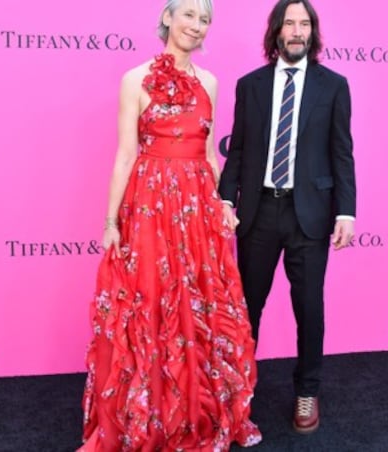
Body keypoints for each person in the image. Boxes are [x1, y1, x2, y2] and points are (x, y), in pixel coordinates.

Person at [79, 0, 261, 450]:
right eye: (189, 16)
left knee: (199, 302)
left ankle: (198, 412)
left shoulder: (211, 83)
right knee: (152, 303)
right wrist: (110, 221)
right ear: (167, 18)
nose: (196, 26)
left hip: (197, 206)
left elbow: (210, 153)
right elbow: (125, 153)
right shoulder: (135, 79)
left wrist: (222, 202)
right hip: (150, 205)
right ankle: (150, 414)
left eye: (204, 20)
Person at [218, 0, 356, 435]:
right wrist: (225, 200)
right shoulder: (250, 86)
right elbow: (236, 149)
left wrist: (346, 212)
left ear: (312, 33)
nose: (297, 31)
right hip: (258, 213)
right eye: (290, 23)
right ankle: (239, 391)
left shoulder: (334, 86)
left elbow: (341, 153)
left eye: (305, 24)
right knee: (246, 310)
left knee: (309, 307)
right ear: (276, 31)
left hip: (310, 216)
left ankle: (307, 391)